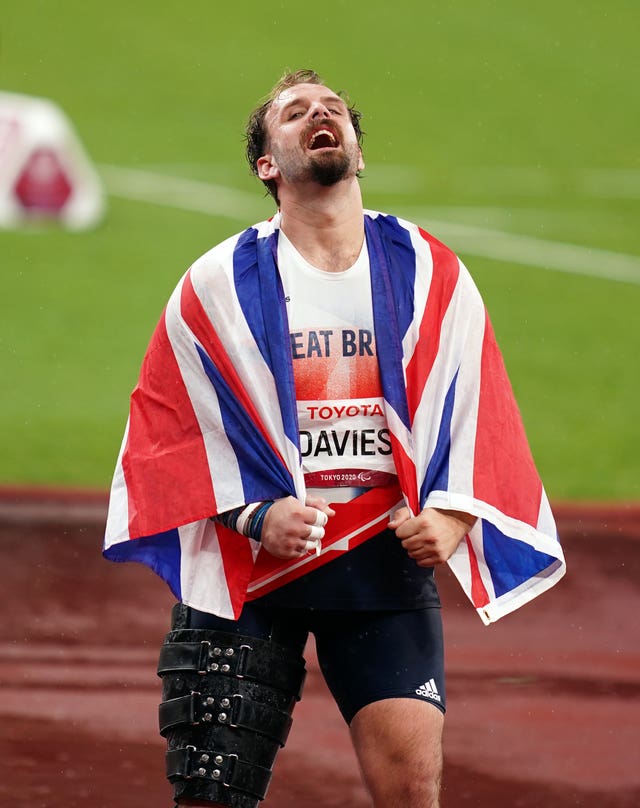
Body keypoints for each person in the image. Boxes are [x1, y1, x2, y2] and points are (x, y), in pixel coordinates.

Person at [104, 70, 565, 808]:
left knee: (413, 792)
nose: (320, 115)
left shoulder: (427, 270)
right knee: (210, 796)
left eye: (333, 110)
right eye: (295, 113)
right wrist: (253, 514)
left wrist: (453, 515)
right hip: (252, 574)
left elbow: (480, 411)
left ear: (355, 150)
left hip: (381, 565)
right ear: (266, 162)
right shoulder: (216, 283)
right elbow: (171, 431)